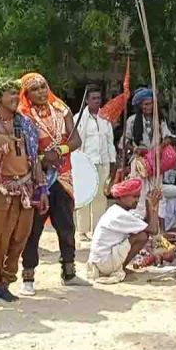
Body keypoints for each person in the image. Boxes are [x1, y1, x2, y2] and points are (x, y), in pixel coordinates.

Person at [0, 78, 48, 302]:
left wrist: (41, 190)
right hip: (1, 189)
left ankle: (5, 283)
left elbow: (34, 159)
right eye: (10, 94)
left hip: (26, 188)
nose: (15, 98)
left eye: (17, 94)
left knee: (19, 239)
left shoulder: (26, 124)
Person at [19, 73, 90, 296]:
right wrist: (42, 157)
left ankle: (69, 272)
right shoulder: (23, 115)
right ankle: (28, 277)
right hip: (38, 176)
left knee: (66, 224)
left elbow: (76, 139)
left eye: (43, 87)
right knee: (34, 227)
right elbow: (20, 148)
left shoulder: (61, 109)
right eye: (35, 89)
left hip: (64, 175)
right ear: (26, 93)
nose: (40, 92)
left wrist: (60, 150)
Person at [86, 179, 160, 284]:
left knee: (142, 233)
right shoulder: (120, 215)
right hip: (104, 263)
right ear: (122, 197)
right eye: (134, 196)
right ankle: (119, 268)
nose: (137, 200)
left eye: (138, 197)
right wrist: (150, 206)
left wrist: (151, 206)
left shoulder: (117, 211)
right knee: (142, 236)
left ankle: (118, 266)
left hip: (101, 261)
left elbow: (146, 225)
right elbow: (153, 230)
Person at [73, 86, 116, 241]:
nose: (97, 101)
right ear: (87, 100)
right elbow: (75, 142)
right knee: (84, 196)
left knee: (100, 197)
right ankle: (82, 231)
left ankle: (97, 229)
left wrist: (112, 163)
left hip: (102, 162)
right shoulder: (78, 118)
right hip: (85, 163)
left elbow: (110, 143)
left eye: (99, 98)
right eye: (94, 98)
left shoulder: (105, 119)